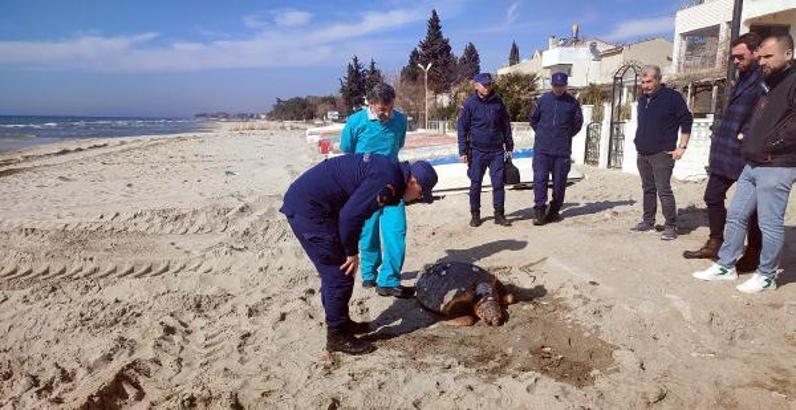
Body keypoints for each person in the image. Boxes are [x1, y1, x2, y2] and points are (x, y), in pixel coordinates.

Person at [280, 154, 438, 354]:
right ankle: (337, 336)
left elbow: (357, 212)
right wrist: (351, 252)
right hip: (309, 210)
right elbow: (349, 216)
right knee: (340, 274)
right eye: (421, 194)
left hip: (316, 205)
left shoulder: (391, 172)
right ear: (413, 182)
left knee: (337, 273)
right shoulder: (387, 183)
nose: (418, 199)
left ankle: (342, 322)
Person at [692, 34, 796, 294]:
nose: (763, 62)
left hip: (777, 165)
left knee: (769, 224)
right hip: (752, 163)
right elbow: (758, 117)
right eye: (760, 56)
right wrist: (749, 137)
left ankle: (767, 275)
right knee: (737, 215)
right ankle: (726, 266)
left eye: (768, 56)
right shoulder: (769, 82)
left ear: (789, 54)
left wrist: (770, 143)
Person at [683, 33, 763, 269]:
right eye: (733, 58)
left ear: (755, 52)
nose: (736, 61)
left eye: (740, 56)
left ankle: (754, 252)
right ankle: (715, 241)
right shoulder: (742, 76)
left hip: (747, 151)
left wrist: (747, 132)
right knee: (712, 196)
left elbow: (765, 112)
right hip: (725, 151)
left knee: (753, 208)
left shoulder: (764, 78)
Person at [340, 83, 411, 297]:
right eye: (382, 109)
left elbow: (398, 145)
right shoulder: (355, 122)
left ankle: (388, 279)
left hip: (393, 181)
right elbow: (347, 149)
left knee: (396, 230)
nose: (387, 113)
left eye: (390, 108)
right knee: (368, 231)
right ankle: (369, 273)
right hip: (364, 186)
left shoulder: (400, 120)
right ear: (371, 104)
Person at [631, 65, 693, 240]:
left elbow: (687, 120)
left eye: (649, 81)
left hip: (662, 153)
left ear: (658, 80)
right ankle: (648, 221)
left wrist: (682, 147)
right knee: (647, 188)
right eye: (643, 82)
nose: (645, 85)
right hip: (643, 152)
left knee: (663, 190)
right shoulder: (643, 99)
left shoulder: (672, 98)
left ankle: (671, 226)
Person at [457, 72, 514, 227]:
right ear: (476, 85)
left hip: (496, 151)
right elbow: (462, 128)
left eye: (489, 84)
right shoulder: (469, 105)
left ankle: (499, 215)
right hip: (477, 151)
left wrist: (509, 146)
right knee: (475, 184)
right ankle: (475, 215)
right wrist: (463, 151)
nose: (487, 87)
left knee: (498, 184)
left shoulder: (498, 103)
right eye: (484, 84)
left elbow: (505, 125)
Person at [528, 72, 584, 225]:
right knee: (540, 181)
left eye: (561, 86)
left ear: (566, 85)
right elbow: (532, 119)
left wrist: (564, 135)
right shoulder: (542, 101)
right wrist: (543, 133)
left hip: (562, 151)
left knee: (559, 183)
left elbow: (577, 124)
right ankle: (539, 211)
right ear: (551, 85)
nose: (558, 88)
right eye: (555, 85)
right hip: (542, 150)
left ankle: (554, 211)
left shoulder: (572, 103)